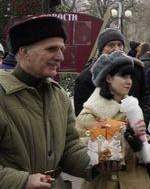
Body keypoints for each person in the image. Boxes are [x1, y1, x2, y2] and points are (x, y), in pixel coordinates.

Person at [0, 16, 93, 187]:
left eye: (61, 49)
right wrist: (23, 182)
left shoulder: (59, 96)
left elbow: (69, 147)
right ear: (24, 53)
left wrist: (96, 163)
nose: (60, 57)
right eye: (51, 49)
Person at [76, 51, 150, 188]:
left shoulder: (132, 107)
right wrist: (128, 136)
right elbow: (83, 150)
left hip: (137, 181)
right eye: (123, 76)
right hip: (104, 183)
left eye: (130, 76)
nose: (129, 81)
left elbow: (141, 145)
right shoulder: (90, 113)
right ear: (108, 78)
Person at [73, 28, 150, 124]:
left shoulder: (136, 69)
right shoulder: (86, 77)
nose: (116, 48)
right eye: (111, 45)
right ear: (101, 50)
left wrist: (140, 121)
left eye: (120, 45)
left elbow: (145, 98)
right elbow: (82, 115)